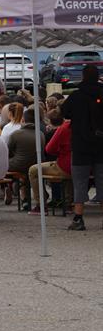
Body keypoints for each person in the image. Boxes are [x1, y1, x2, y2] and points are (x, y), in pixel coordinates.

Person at [62, 64, 103, 231]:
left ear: (83, 76)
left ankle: (78, 218)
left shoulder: (75, 96)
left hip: (80, 144)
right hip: (102, 145)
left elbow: (65, 113)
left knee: (79, 182)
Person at [28, 118, 72, 215]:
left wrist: (60, 151)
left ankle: (41, 205)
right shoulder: (90, 125)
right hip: (86, 166)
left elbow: (49, 149)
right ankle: (69, 203)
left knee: (33, 170)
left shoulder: (64, 128)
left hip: (65, 165)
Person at [7, 108, 46, 211]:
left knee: (12, 167)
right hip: (36, 164)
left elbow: (8, 151)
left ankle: (22, 198)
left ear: (23, 119)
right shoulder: (40, 134)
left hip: (19, 165)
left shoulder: (16, 134)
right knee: (24, 172)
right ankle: (25, 197)